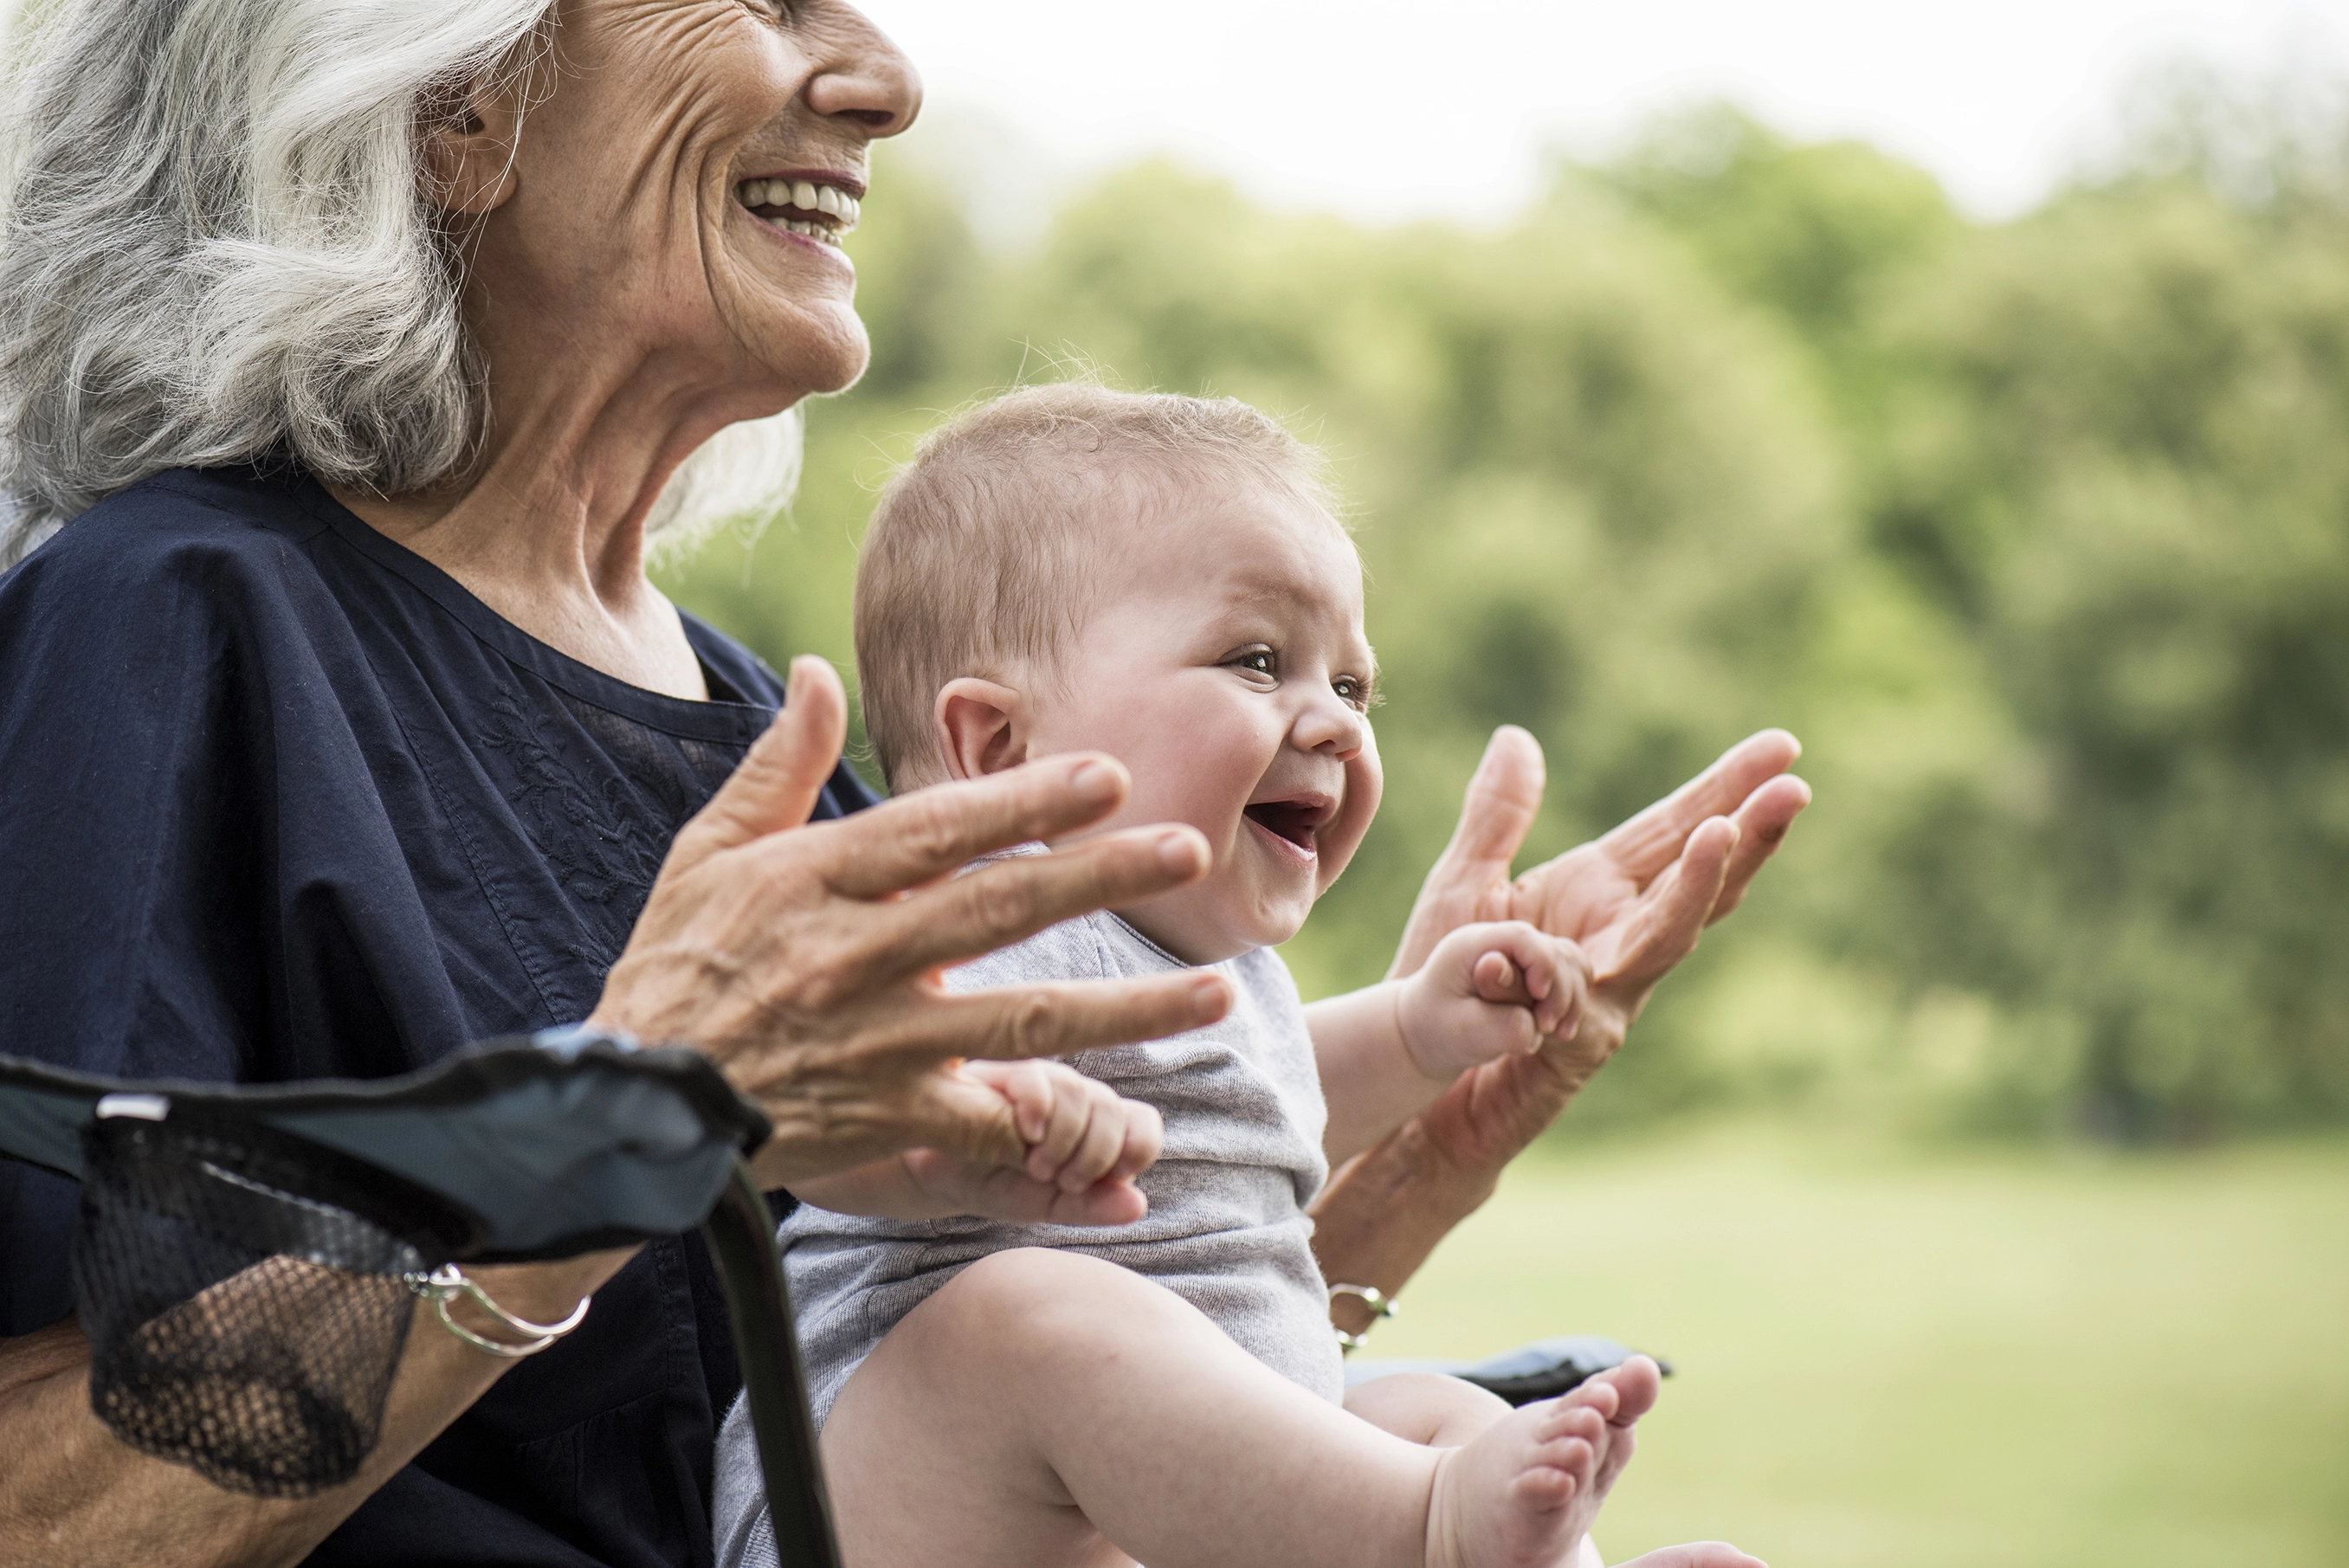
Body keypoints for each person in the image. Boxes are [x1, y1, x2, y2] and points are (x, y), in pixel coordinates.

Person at [0, 1, 1808, 1565]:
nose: (886, 79)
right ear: (452, 107)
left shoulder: (743, 714)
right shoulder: (174, 619)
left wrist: (1427, 1133)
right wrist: (600, 1140)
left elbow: (1028, 1376)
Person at [709, 385, 1759, 1568]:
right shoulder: (967, 915)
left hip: (1146, 1505)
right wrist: (930, 1139)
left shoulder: (1223, 971)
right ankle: (1430, 1531)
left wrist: (1422, 1031)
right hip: (889, 1495)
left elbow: (1272, 1099)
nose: (1337, 725)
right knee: (1036, 1317)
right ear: (1000, 750)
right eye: (1257, 662)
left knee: (1432, 1416)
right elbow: (785, 1114)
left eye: (1351, 686)